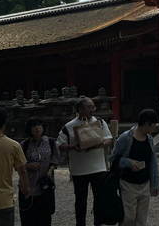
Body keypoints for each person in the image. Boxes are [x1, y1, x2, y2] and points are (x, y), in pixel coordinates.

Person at [57, 97, 113, 226]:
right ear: (80, 109)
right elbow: (59, 145)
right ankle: (80, 223)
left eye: (93, 107)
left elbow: (108, 138)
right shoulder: (69, 126)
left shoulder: (100, 121)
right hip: (79, 169)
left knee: (99, 196)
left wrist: (101, 144)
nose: (92, 110)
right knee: (81, 199)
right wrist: (72, 147)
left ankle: (98, 222)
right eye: (89, 107)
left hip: (98, 167)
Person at [111, 109, 159, 226]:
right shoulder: (126, 138)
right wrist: (129, 162)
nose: (155, 129)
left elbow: (153, 162)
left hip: (145, 183)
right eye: (153, 126)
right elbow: (114, 158)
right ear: (147, 124)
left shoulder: (149, 139)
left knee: (141, 219)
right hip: (128, 183)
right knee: (128, 217)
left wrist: (155, 183)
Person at [19, 117, 60, 226]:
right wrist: (29, 165)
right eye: (34, 126)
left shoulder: (50, 142)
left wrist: (51, 169)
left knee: (45, 217)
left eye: (39, 125)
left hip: (45, 184)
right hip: (28, 184)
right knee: (28, 218)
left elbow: (55, 159)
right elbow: (17, 163)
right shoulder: (25, 144)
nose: (37, 128)